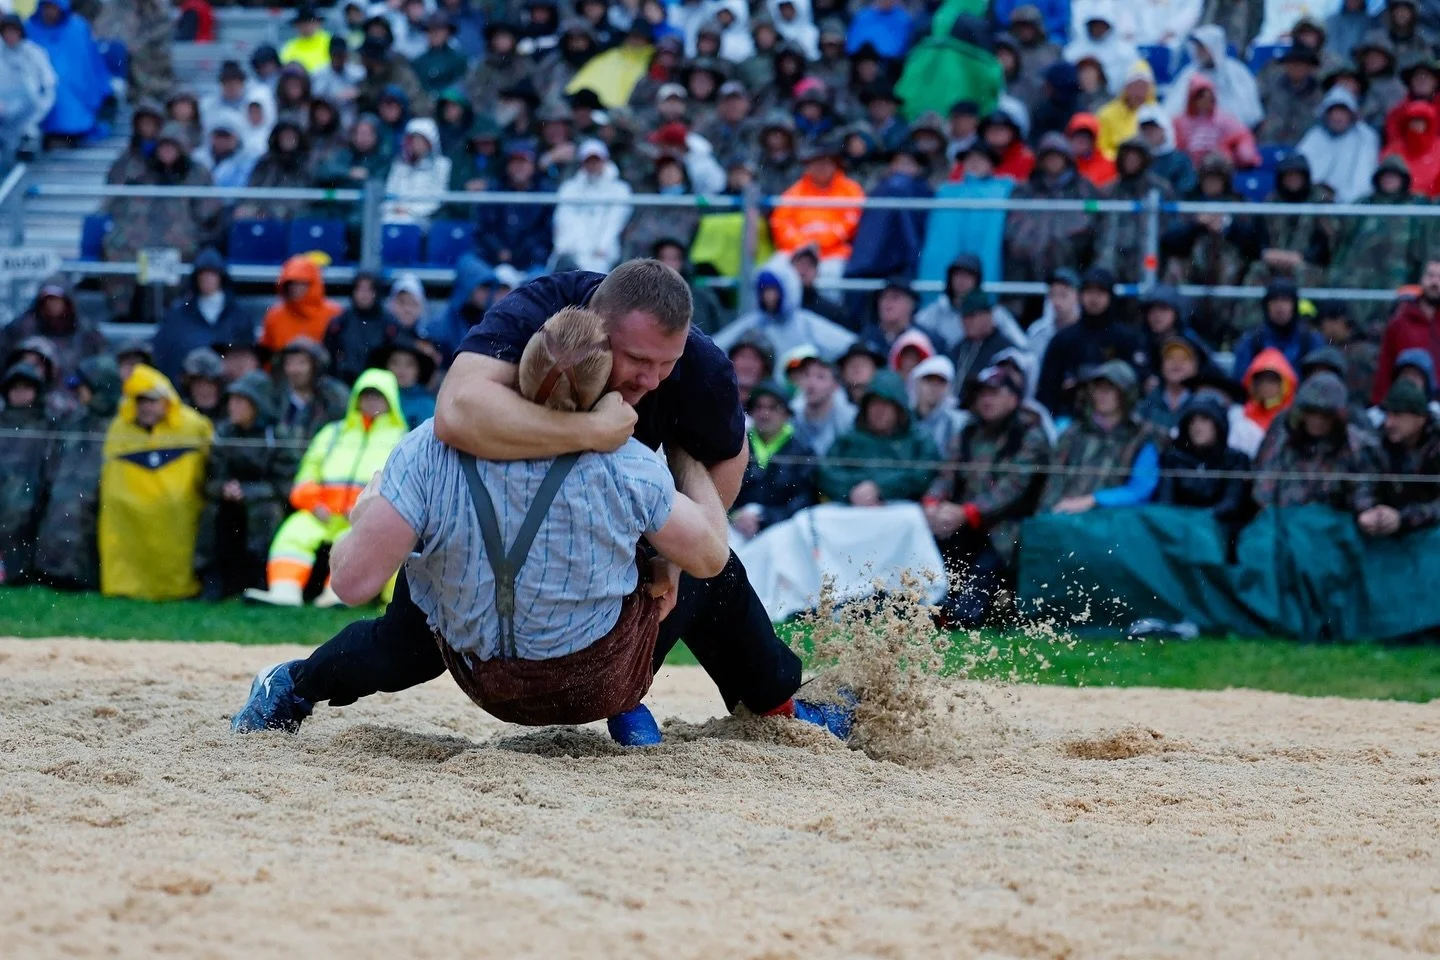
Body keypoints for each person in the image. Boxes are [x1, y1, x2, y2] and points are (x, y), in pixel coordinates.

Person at [229, 261, 844, 743]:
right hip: (556, 585)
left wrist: (669, 566)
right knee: (712, 573)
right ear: (594, 337)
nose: (651, 380)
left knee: (675, 581)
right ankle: (756, 703)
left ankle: (293, 686)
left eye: (667, 364)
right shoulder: (606, 431)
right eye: (637, 362)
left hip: (549, 580)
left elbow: (729, 457)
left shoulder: (692, 375)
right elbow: (457, 411)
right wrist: (595, 437)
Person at [243, 370, 408, 608]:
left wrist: (364, 511)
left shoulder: (402, 439)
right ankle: (284, 592)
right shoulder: (333, 433)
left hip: (365, 517)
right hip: (321, 513)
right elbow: (306, 474)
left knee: (356, 544)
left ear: (391, 400)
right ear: (356, 399)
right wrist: (314, 504)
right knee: (293, 532)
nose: (371, 402)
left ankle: (337, 596)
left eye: (378, 396)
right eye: (366, 395)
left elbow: (401, 486)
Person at [924, 363, 1048, 626]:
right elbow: (947, 473)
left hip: (1009, 525)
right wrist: (933, 504)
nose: (986, 399)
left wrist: (965, 512)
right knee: (931, 542)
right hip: (962, 523)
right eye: (982, 394)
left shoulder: (1029, 435)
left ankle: (967, 612)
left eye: (994, 393)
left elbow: (1012, 488)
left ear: (1013, 399)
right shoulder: (969, 432)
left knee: (981, 576)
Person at [98, 365, 214, 600]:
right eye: (140, 402)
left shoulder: (193, 425)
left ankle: (178, 590)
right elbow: (112, 473)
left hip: (178, 510)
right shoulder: (120, 428)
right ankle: (125, 588)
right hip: (129, 510)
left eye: (152, 401)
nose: (146, 408)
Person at [197, 372, 301, 600]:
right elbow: (209, 479)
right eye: (231, 400)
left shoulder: (277, 435)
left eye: (240, 401)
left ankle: (259, 578)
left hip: (265, 502)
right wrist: (224, 488)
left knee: (265, 513)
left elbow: (285, 483)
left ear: (257, 404)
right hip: (227, 501)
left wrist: (248, 491)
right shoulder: (223, 433)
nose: (232, 406)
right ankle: (212, 581)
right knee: (212, 512)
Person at [31, 356, 120, 590]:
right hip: (61, 504)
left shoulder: (120, 426)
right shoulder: (73, 421)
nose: (78, 391)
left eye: (83, 386)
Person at [1039, 361, 1162, 515]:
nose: (1101, 395)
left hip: (1111, 523)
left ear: (1125, 394)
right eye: (1098, 388)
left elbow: (1140, 490)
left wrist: (1093, 500)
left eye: (1110, 389)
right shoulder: (1073, 433)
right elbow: (1052, 482)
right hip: (1064, 518)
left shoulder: (1141, 438)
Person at [1252, 371, 1380, 514]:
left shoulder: (1354, 446)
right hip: (1284, 518)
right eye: (1312, 412)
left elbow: (1363, 491)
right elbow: (1264, 487)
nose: (1317, 421)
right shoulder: (1284, 439)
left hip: (1332, 521)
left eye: (1325, 415)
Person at [1035, 267, 1147, 419]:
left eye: (1100, 292)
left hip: (1119, 419)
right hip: (1070, 417)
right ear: (1080, 296)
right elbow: (1047, 388)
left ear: (1110, 296)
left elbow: (1139, 379)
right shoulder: (1064, 339)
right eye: (1088, 292)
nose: (1094, 299)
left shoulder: (1126, 337)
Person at [818, 368, 939, 506]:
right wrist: (853, 489)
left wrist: (880, 488)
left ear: (899, 409)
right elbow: (826, 472)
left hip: (901, 509)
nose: (879, 411)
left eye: (886, 404)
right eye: (874, 404)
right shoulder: (849, 439)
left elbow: (923, 475)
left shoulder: (920, 440)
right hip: (851, 506)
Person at [714, 255, 857, 362]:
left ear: (788, 290)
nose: (768, 296)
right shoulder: (753, 323)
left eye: (773, 290)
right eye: (764, 291)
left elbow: (842, 343)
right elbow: (718, 346)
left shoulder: (804, 323)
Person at [1005, 134, 1099, 286]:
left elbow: (1091, 220)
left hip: (1071, 260)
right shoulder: (1025, 189)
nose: (1053, 161)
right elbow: (1014, 226)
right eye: (1048, 157)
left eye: (1057, 156)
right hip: (1029, 263)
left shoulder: (1084, 188)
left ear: (1066, 158)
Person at [151, 249, 254, 383]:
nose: (207, 279)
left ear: (221, 277)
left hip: (228, 388)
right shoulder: (179, 314)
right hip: (189, 386)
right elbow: (163, 349)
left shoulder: (239, 315)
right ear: (196, 278)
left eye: (212, 274)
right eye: (202, 274)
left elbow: (247, 358)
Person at [730, 379, 817, 539]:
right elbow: (721, 488)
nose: (765, 414)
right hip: (736, 528)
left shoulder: (802, 450)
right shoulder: (735, 444)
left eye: (773, 407)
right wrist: (734, 515)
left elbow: (805, 499)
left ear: (786, 413)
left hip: (784, 531)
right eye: (759, 407)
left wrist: (767, 518)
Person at [1155, 394, 1252, 527]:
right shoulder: (1173, 458)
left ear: (1218, 424)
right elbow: (1165, 501)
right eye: (1192, 421)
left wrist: (1199, 520)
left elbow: (1231, 504)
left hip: (1220, 529)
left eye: (1204, 420)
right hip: (1179, 527)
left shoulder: (1236, 459)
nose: (1197, 427)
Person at [769, 139, 866, 264]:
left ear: (835, 165)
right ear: (809, 166)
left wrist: (822, 241)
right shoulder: (795, 191)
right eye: (816, 162)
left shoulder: (850, 189)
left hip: (835, 252)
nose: (821, 167)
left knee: (831, 274)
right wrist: (802, 243)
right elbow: (780, 221)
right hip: (796, 251)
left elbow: (853, 220)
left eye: (826, 162)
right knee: (773, 271)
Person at [26, 0, 110, 143]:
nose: (50, 12)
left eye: (54, 8)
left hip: (76, 97)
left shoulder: (78, 28)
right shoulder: (29, 29)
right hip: (38, 93)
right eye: (47, 7)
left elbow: (90, 63)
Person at [1097, 138, 1177, 283]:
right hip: (1113, 255)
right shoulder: (1108, 190)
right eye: (1127, 157)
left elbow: (1169, 225)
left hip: (1148, 254)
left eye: (1135, 157)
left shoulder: (1160, 189)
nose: (1131, 161)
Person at [1366, 378, 1440, 535]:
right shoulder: (1379, 443)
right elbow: (1364, 485)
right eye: (1388, 414)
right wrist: (1370, 512)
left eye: (1397, 415)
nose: (1389, 423)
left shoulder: (1436, 446)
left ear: (1420, 418)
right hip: (1388, 532)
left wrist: (1403, 518)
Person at [2, 275, 107, 383]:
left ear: (67, 301)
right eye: (48, 300)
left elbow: (99, 366)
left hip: (75, 390)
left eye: (56, 300)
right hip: (30, 390)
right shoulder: (23, 328)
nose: (52, 304)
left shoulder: (86, 331)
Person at [0, 360, 51, 583]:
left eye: (26, 388)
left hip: (30, 493)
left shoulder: (47, 426)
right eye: (15, 388)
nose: (20, 394)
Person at [551, 139, 633, 273]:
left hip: (601, 254)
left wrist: (603, 247)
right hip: (572, 251)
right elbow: (563, 219)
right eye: (589, 161)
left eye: (596, 160)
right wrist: (565, 247)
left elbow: (615, 222)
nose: (593, 165)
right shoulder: (569, 188)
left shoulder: (620, 189)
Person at [473, 142, 554, 276]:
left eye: (524, 162)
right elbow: (484, 228)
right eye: (514, 162)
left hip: (532, 261)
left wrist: (519, 253)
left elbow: (545, 233)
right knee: (468, 264)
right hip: (494, 260)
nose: (519, 167)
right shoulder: (494, 189)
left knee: (540, 278)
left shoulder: (545, 191)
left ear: (533, 165)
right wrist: (498, 250)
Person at [1166, 25, 1263, 128]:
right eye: (1198, 47)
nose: (1199, 51)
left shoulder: (1236, 72)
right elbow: (1174, 107)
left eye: (1203, 47)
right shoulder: (1189, 73)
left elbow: (1249, 111)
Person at [1296, 86, 1380, 205]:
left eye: (1342, 112)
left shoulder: (1365, 137)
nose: (1338, 117)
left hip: (1356, 205)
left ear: (1351, 115)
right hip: (1318, 203)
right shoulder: (1313, 138)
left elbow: (1364, 179)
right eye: (1334, 112)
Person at [1231, 279, 1326, 382]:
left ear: (1294, 305)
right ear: (1266, 306)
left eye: (1285, 300)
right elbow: (1241, 380)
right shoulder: (1251, 341)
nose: (1280, 306)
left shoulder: (1310, 339)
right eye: (1274, 301)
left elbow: (1318, 380)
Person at [1374, 260, 1440, 402]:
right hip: (1406, 404)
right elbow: (1385, 366)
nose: (1435, 282)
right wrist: (1380, 403)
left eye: (1439, 277)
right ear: (1421, 279)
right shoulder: (1399, 323)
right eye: (1431, 275)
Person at [1172, 74, 1261, 170]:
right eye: (1201, 97)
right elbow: (1177, 149)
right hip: (1192, 170)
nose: (1205, 101)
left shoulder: (1224, 120)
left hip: (1219, 168)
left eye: (1209, 98)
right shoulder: (1180, 122)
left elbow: (1242, 136)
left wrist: (1235, 151)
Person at [259, 255, 344, 353]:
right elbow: (265, 353)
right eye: (291, 284)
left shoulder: (334, 313)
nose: (295, 288)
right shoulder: (274, 316)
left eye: (302, 283)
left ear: (313, 284)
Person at [1, 14, 56, 160]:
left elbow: (48, 84)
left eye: (13, 31)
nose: (10, 36)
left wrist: (39, 109)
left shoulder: (33, 53)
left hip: (28, 113)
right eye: (6, 32)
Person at [1232, 347, 1298, 459]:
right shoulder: (1239, 417)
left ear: (1284, 384)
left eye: (1272, 381)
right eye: (1261, 381)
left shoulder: (1294, 418)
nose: (1266, 386)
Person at [1063, 4, 1139, 98]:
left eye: (1102, 25)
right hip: (1080, 100)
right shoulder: (1073, 51)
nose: (1098, 28)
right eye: (1094, 24)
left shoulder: (1125, 51)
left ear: (1109, 26)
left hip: (1116, 100)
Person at [1257, 47, 1325, 147]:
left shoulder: (1319, 95)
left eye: (1301, 64)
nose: (1297, 68)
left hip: (1305, 146)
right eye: (1293, 64)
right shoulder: (1271, 88)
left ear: (1310, 68)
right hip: (1270, 142)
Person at [790, 353, 855, 456]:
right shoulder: (789, 416)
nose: (811, 384)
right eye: (806, 375)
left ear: (835, 386)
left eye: (820, 377)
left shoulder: (849, 420)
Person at [370, 333, 438, 429]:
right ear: (386, 366)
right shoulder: (373, 397)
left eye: (409, 364)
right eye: (395, 362)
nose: (401, 370)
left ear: (418, 370)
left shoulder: (426, 404)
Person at [1136, 335, 1202, 433]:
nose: (1176, 363)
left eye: (1184, 359)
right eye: (1170, 358)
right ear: (1162, 366)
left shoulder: (1202, 403)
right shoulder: (1148, 402)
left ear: (1195, 368)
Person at [858, 278, 934, 358]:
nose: (888, 302)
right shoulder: (867, 338)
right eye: (883, 297)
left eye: (895, 297)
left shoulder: (926, 338)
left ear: (911, 304)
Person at [1097, 60, 1158, 159]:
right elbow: (1101, 150)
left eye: (1143, 87)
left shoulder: (1156, 114)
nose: (1139, 93)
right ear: (1126, 88)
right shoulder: (1106, 115)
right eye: (1135, 86)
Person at [908, 354, 966, 457]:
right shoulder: (903, 417)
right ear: (917, 383)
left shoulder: (958, 423)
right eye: (929, 381)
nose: (934, 387)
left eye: (941, 382)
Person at [1137, 104, 1197, 197]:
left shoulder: (1181, 160)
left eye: (1153, 128)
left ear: (1164, 129)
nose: (1149, 133)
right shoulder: (1136, 160)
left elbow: (1186, 188)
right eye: (1145, 129)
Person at [1066, 112, 1117, 187]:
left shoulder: (1109, 166)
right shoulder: (1062, 164)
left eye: (1086, 136)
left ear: (1094, 140)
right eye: (1077, 135)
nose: (1081, 140)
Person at [281, 5, 332, 74]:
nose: (307, 26)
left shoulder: (330, 42)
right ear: (297, 25)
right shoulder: (289, 48)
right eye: (303, 22)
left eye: (310, 21)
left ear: (318, 23)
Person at [179, 348, 226, 422]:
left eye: (210, 383)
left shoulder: (235, 416)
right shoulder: (178, 417)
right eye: (198, 384)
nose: (204, 389)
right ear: (188, 387)